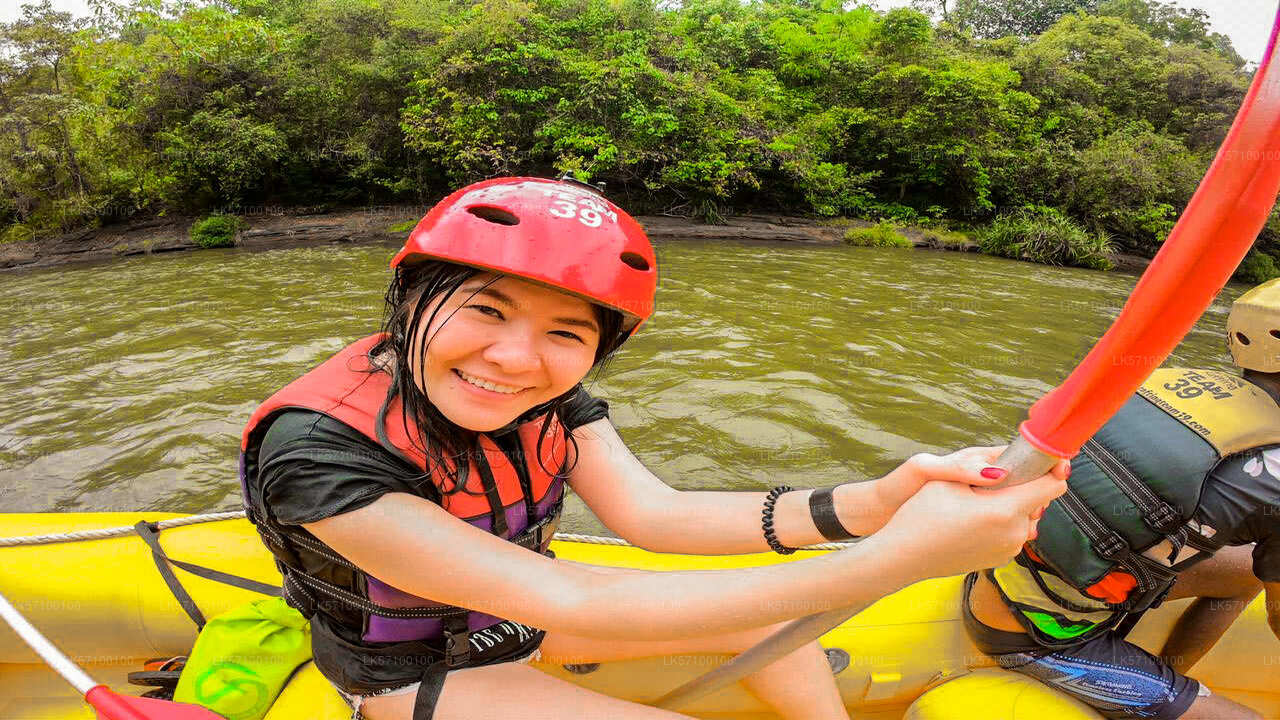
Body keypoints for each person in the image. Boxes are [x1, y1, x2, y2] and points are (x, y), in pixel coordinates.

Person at [237, 176, 1068, 720]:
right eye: (486, 310)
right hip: (411, 670)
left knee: (781, 623)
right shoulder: (317, 450)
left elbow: (657, 515)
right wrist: (900, 560)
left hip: (520, 620)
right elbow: (572, 601)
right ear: (408, 298)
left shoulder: (544, 398)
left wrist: (880, 503)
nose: (517, 359)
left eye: (566, 333)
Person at [963, 278, 1280, 720]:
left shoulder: (1161, 383)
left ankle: (1170, 680)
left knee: (1247, 572)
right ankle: (1158, 695)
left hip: (995, 576)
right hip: (1037, 639)